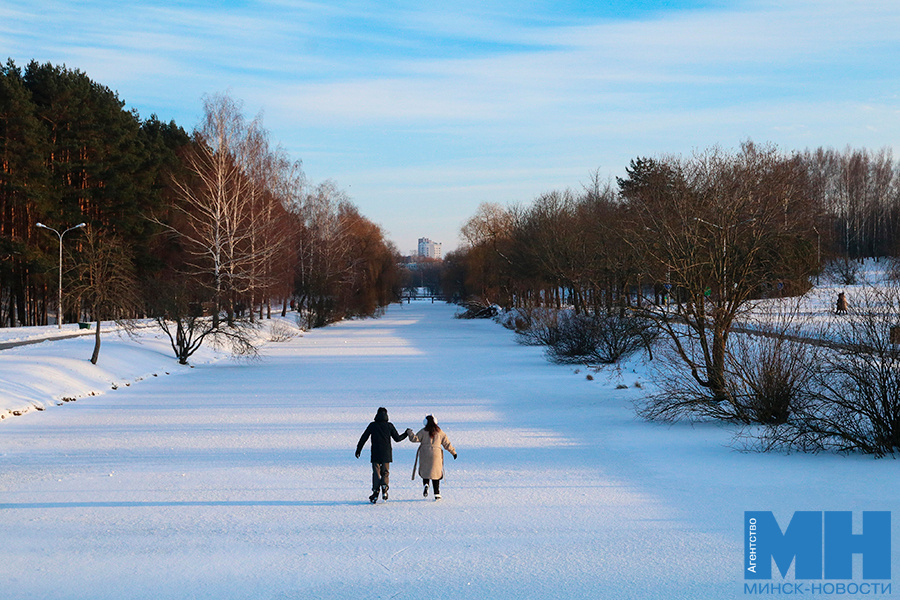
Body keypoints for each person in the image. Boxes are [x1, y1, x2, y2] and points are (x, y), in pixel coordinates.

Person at [356, 407, 410, 504]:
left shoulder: (372, 425)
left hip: (376, 453)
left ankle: (376, 491)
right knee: (385, 472)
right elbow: (397, 439)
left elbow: (364, 437)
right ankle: (384, 487)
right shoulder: (389, 426)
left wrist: (358, 449)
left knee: (376, 472)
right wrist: (406, 433)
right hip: (386, 453)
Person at [408, 415, 457, 501]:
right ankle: (437, 493)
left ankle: (426, 484)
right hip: (436, 454)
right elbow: (447, 443)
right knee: (436, 473)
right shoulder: (440, 432)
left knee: (425, 471)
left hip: (424, 453)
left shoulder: (423, 431)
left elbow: (414, 439)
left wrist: (409, 432)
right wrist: (453, 452)